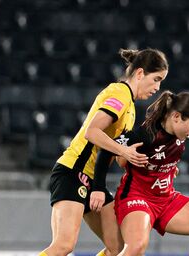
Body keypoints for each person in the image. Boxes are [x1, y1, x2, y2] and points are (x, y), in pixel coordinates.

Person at [40, 48, 169, 256]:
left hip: (93, 179)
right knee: (64, 245)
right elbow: (92, 132)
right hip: (73, 172)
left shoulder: (131, 108)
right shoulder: (119, 94)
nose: (158, 87)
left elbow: (116, 155)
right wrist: (124, 151)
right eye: (156, 79)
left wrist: (153, 163)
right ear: (139, 73)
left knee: (118, 248)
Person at [95, 91, 189, 256]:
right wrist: (98, 187)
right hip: (137, 198)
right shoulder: (145, 134)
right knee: (135, 247)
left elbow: (162, 156)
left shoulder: (179, 135)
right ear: (176, 116)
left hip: (166, 199)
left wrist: (168, 168)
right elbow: (106, 150)